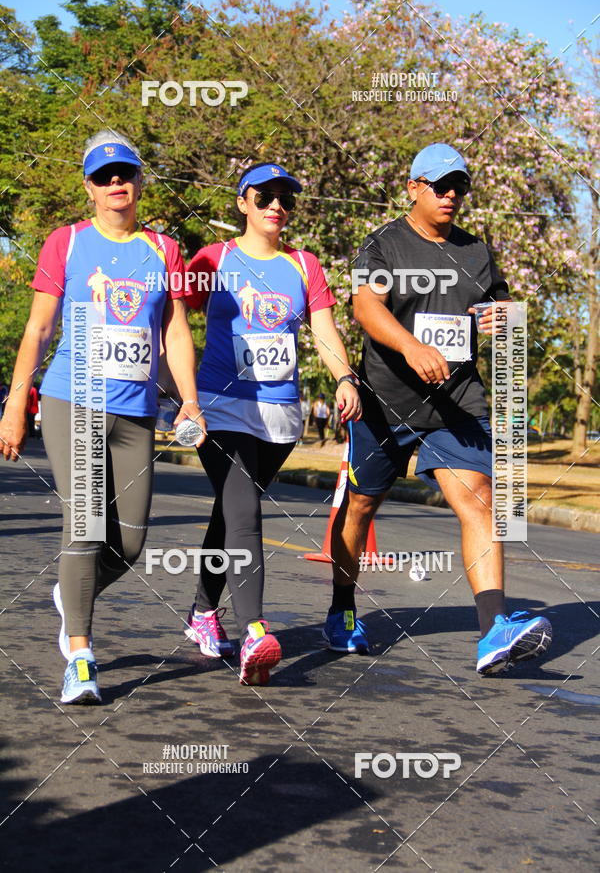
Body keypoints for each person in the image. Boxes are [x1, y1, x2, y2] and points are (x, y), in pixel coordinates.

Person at [324, 143, 552, 674]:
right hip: (385, 402)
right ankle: (342, 608)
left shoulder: (476, 252)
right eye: (440, 185)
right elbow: (364, 306)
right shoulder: (384, 244)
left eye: (460, 187)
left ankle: (494, 630)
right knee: (359, 507)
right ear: (413, 188)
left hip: (455, 403)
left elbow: (498, 311)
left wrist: (501, 320)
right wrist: (409, 346)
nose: (451, 195)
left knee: (479, 501)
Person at [0, 130, 204, 704]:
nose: (116, 184)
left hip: (137, 410)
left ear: (140, 181)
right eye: (103, 177)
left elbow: (174, 331)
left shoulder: (164, 250)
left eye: (125, 174)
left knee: (132, 543)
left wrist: (188, 399)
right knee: (85, 525)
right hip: (74, 398)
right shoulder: (66, 242)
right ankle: (81, 658)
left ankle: (74, 593)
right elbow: (39, 329)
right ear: (89, 188)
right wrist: (17, 401)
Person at [184, 161, 361, 686]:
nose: (276, 206)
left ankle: (201, 612)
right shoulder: (212, 260)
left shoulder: (304, 265)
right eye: (265, 197)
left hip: (280, 413)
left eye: (285, 198)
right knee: (244, 514)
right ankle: (255, 631)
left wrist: (346, 376)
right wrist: (176, 393)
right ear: (242, 202)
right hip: (220, 404)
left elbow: (325, 331)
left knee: (231, 513)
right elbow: (169, 313)